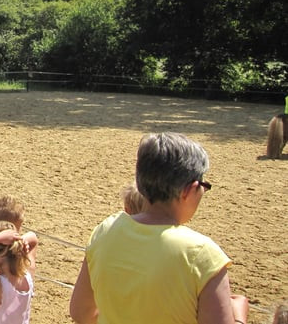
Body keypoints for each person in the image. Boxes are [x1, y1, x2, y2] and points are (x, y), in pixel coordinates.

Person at [69, 132, 250, 324]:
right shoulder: (203, 255)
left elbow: (81, 312)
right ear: (189, 189)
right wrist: (239, 317)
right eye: (203, 186)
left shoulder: (105, 231)